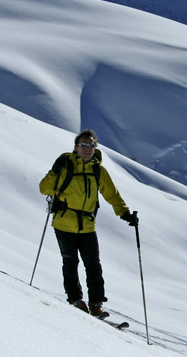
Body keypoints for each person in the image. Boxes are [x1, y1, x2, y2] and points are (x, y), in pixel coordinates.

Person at [39, 130, 138, 317]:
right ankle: (75, 299)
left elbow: (111, 194)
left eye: (91, 146)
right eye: (83, 145)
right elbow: (44, 189)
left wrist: (124, 213)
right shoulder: (66, 166)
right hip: (64, 223)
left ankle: (96, 303)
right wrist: (55, 170)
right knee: (70, 262)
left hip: (87, 225)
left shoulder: (98, 171)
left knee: (93, 265)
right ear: (76, 147)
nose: (87, 149)